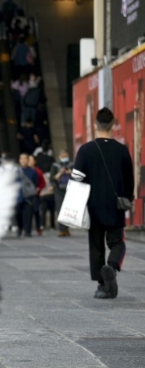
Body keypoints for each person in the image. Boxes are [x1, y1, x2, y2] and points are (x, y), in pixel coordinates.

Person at [72, 108, 135, 299]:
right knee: (117, 242)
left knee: (96, 245)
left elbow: (76, 179)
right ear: (113, 125)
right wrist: (128, 199)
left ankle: (102, 284)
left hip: (93, 206)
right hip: (115, 206)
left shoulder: (86, 150)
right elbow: (129, 180)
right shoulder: (122, 150)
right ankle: (112, 267)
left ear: (95, 125)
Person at [15, 153, 40, 237]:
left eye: (25, 158)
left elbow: (36, 182)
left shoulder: (32, 171)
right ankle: (20, 228)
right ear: (19, 160)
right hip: (18, 196)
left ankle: (27, 231)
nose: (23, 160)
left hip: (29, 196)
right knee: (18, 213)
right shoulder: (16, 171)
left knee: (28, 214)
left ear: (28, 160)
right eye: (21, 159)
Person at [52, 149, 73, 237]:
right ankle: (62, 229)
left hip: (70, 190)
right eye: (63, 157)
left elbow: (78, 176)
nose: (65, 158)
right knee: (60, 209)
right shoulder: (55, 166)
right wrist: (60, 173)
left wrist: (70, 172)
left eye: (66, 156)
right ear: (59, 157)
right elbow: (52, 178)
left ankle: (67, 228)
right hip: (59, 191)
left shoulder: (72, 165)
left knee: (68, 210)